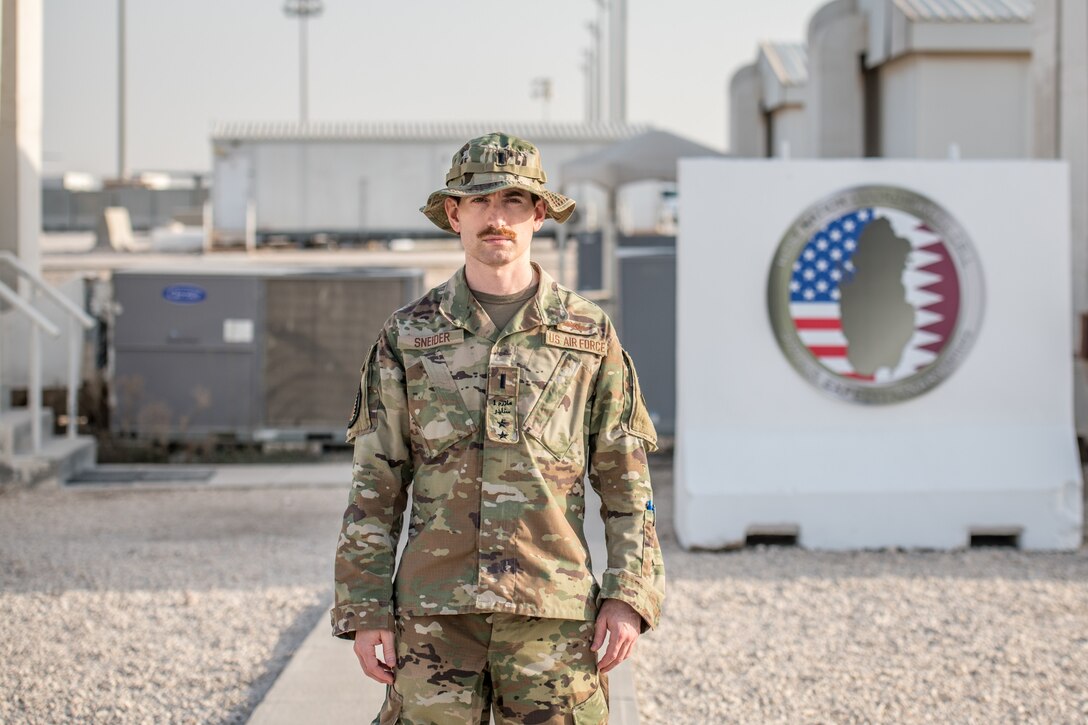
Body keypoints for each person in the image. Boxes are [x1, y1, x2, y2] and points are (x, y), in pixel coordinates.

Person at [331, 132, 665, 725]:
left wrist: (627, 595)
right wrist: (365, 607)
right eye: (480, 202)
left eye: (513, 202)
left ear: (538, 214)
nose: (496, 218)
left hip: (553, 614)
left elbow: (625, 479)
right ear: (454, 214)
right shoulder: (408, 335)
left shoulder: (587, 334)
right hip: (435, 614)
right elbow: (376, 483)